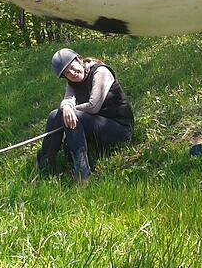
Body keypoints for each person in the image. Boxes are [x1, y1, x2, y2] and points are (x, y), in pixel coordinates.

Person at [37, 48, 135, 184]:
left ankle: (83, 175)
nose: (72, 73)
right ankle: (45, 164)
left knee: (72, 115)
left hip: (120, 130)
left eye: (71, 67)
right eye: (67, 73)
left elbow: (93, 106)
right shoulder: (72, 82)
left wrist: (69, 109)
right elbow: (68, 99)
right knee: (55, 115)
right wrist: (65, 107)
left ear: (78, 60)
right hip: (98, 130)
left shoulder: (101, 72)